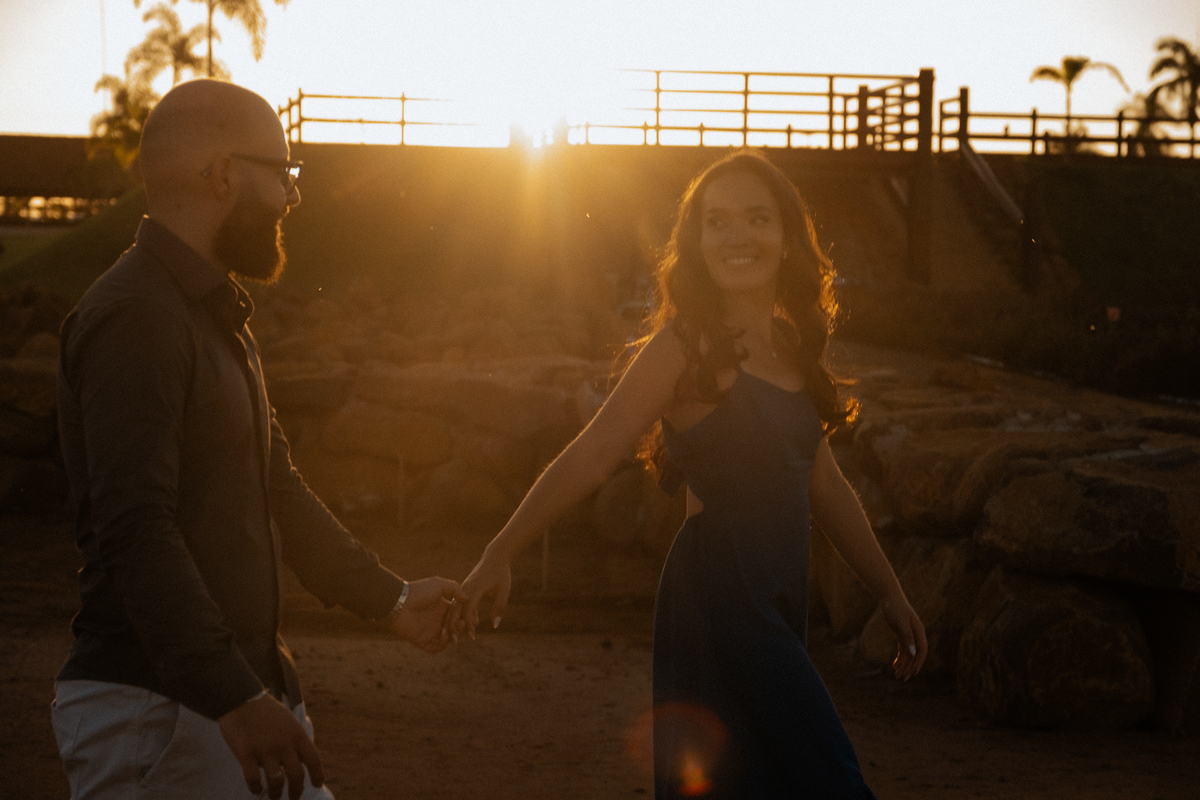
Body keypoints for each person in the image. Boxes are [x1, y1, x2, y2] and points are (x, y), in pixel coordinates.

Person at [452, 150, 927, 798]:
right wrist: (499, 553)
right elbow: (595, 452)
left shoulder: (792, 347)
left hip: (776, 602)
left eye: (757, 218)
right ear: (696, 242)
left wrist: (890, 591)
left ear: (788, 236)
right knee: (830, 783)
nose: (737, 235)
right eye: (717, 221)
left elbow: (824, 481)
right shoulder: (683, 347)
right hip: (719, 600)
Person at [52, 79, 464, 800]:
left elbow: (278, 487)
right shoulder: (137, 317)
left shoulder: (211, 315)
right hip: (163, 715)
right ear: (222, 174)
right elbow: (135, 528)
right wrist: (234, 695)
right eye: (283, 171)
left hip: (227, 697)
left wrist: (390, 599)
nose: (293, 195)